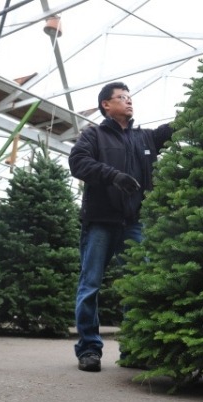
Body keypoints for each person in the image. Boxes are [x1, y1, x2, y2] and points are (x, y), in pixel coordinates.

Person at [68, 81, 173, 372]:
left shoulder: (144, 138)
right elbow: (78, 162)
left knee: (138, 286)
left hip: (134, 224)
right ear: (106, 105)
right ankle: (89, 349)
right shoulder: (95, 135)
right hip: (101, 221)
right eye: (122, 97)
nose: (129, 101)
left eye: (130, 97)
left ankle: (134, 349)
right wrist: (113, 176)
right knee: (90, 285)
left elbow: (172, 130)